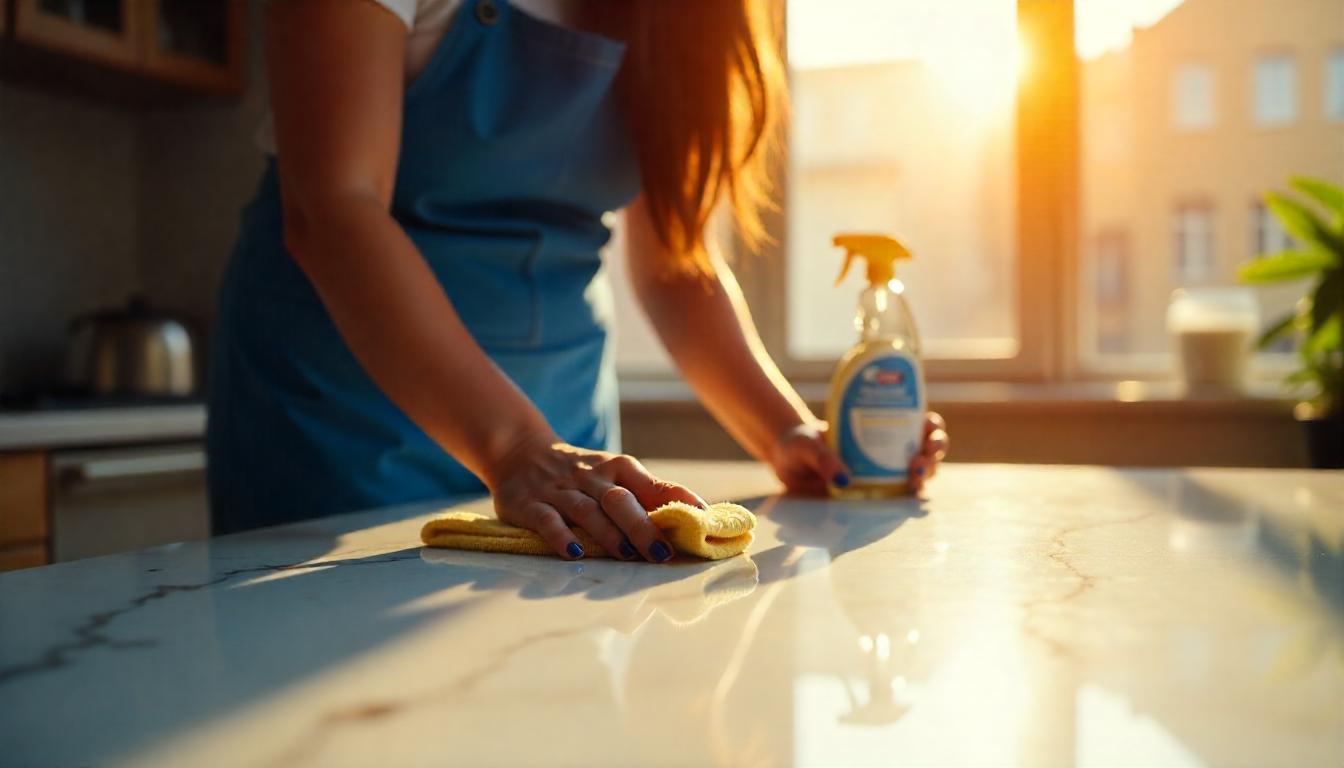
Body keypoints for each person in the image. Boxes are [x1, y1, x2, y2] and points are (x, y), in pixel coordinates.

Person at [207, 0, 949, 561]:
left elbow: (675, 266)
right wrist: (515, 447)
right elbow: (333, 206)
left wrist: (787, 434)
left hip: (563, 441)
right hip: (341, 420)